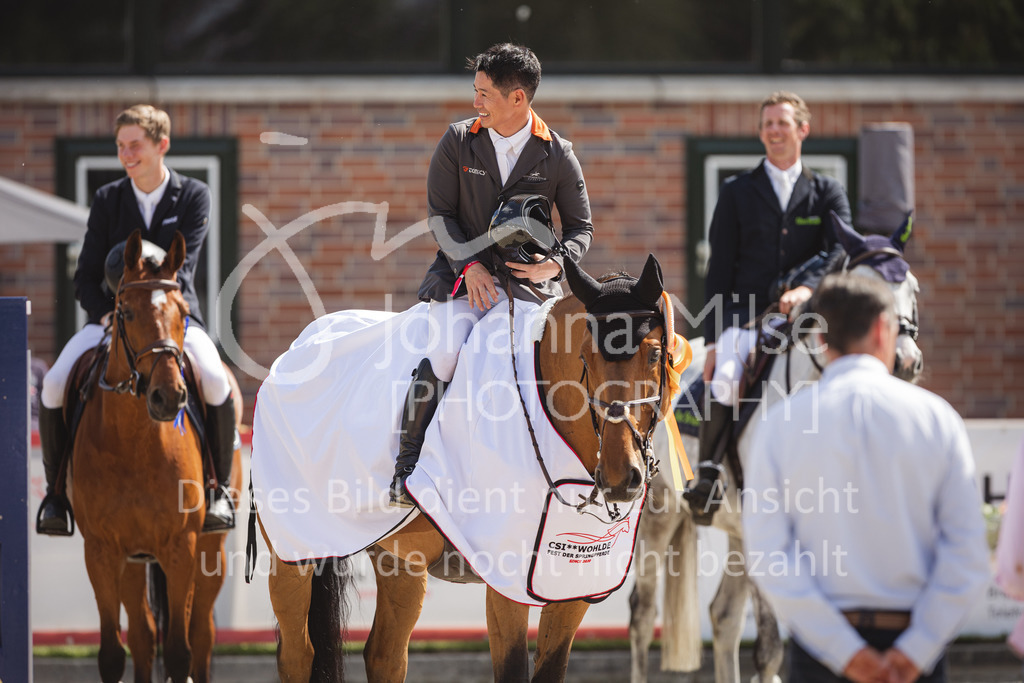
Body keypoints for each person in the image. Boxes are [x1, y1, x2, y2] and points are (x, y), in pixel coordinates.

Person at [743, 273, 990, 683]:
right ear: (882, 328)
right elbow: (967, 556)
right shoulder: (937, 419)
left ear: (820, 339)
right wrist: (916, 650)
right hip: (914, 651)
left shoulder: (781, 425)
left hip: (822, 656)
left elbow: (768, 555)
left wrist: (846, 653)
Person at [389, 43, 593, 507]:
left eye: (484, 93)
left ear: (517, 98)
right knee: (443, 356)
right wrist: (471, 265)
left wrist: (556, 264)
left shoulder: (557, 153)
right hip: (462, 279)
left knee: (547, 367)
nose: (476, 102)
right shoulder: (458, 140)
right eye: (476, 91)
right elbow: (440, 215)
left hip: (531, 285)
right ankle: (409, 467)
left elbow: (582, 227)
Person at [37, 104, 237, 535]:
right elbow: (86, 275)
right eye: (120, 147)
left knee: (216, 380)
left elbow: (182, 272)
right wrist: (108, 314)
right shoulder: (108, 199)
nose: (126, 155)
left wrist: (152, 311)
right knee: (53, 382)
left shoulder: (194, 195)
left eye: (135, 146)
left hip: (173, 321)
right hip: (113, 319)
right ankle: (56, 495)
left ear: (161, 145)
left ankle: (217, 489)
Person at [689, 91, 852, 507]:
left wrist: (808, 287)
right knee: (725, 376)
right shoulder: (736, 191)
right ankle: (708, 475)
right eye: (767, 125)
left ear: (803, 130)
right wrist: (712, 341)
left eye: (782, 123)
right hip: (746, 317)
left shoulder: (828, 192)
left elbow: (840, 251)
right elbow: (719, 269)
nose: (774, 131)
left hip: (808, 316)